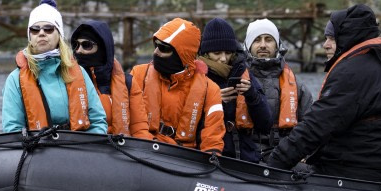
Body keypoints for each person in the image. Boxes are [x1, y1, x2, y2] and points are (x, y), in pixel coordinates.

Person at [266, 4, 381, 186]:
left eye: (331, 39)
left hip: (357, 173)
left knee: (284, 169)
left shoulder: (352, 73)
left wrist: (272, 166)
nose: (325, 45)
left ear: (347, 39)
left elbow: (316, 126)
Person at [2, 0, 108, 134]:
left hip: (78, 147)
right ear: (30, 36)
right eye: (35, 29)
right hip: (36, 149)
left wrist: (86, 148)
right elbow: (12, 129)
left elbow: (97, 121)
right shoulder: (14, 79)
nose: (41, 33)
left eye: (48, 28)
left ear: (59, 34)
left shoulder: (79, 72)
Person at [129, 18, 225, 153]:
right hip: (143, 150)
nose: (156, 52)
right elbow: (128, 121)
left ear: (183, 54)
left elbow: (212, 141)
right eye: (156, 45)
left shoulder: (211, 90)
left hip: (183, 159)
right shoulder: (138, 74)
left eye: (163, 48)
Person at [198, 18, 272, 161]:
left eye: (228, 52)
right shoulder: (197, 78)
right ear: (206, 53)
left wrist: (252, 96)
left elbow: (265, 124)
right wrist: (214, 101)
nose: (223, 59)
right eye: (217, 53)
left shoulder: (244, 73)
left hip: (244, 156)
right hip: (209, 155)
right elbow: (189, 123)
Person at [244, 18, 315, 159]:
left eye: (268, 39)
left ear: (277, 45)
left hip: (282, 156)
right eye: (257, 40)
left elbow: (310, 127)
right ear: (248, 45)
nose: (263, 45)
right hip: (244, 153)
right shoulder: (235, 81)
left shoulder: (297, 86)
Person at [70, 20, 147, 137]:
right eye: (76, 45)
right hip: (82, 149)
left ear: (103, 48)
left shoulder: (128, 82)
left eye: (86, 45)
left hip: (120, 149)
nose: (78, 50)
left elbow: (139, 128)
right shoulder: (67, 79)